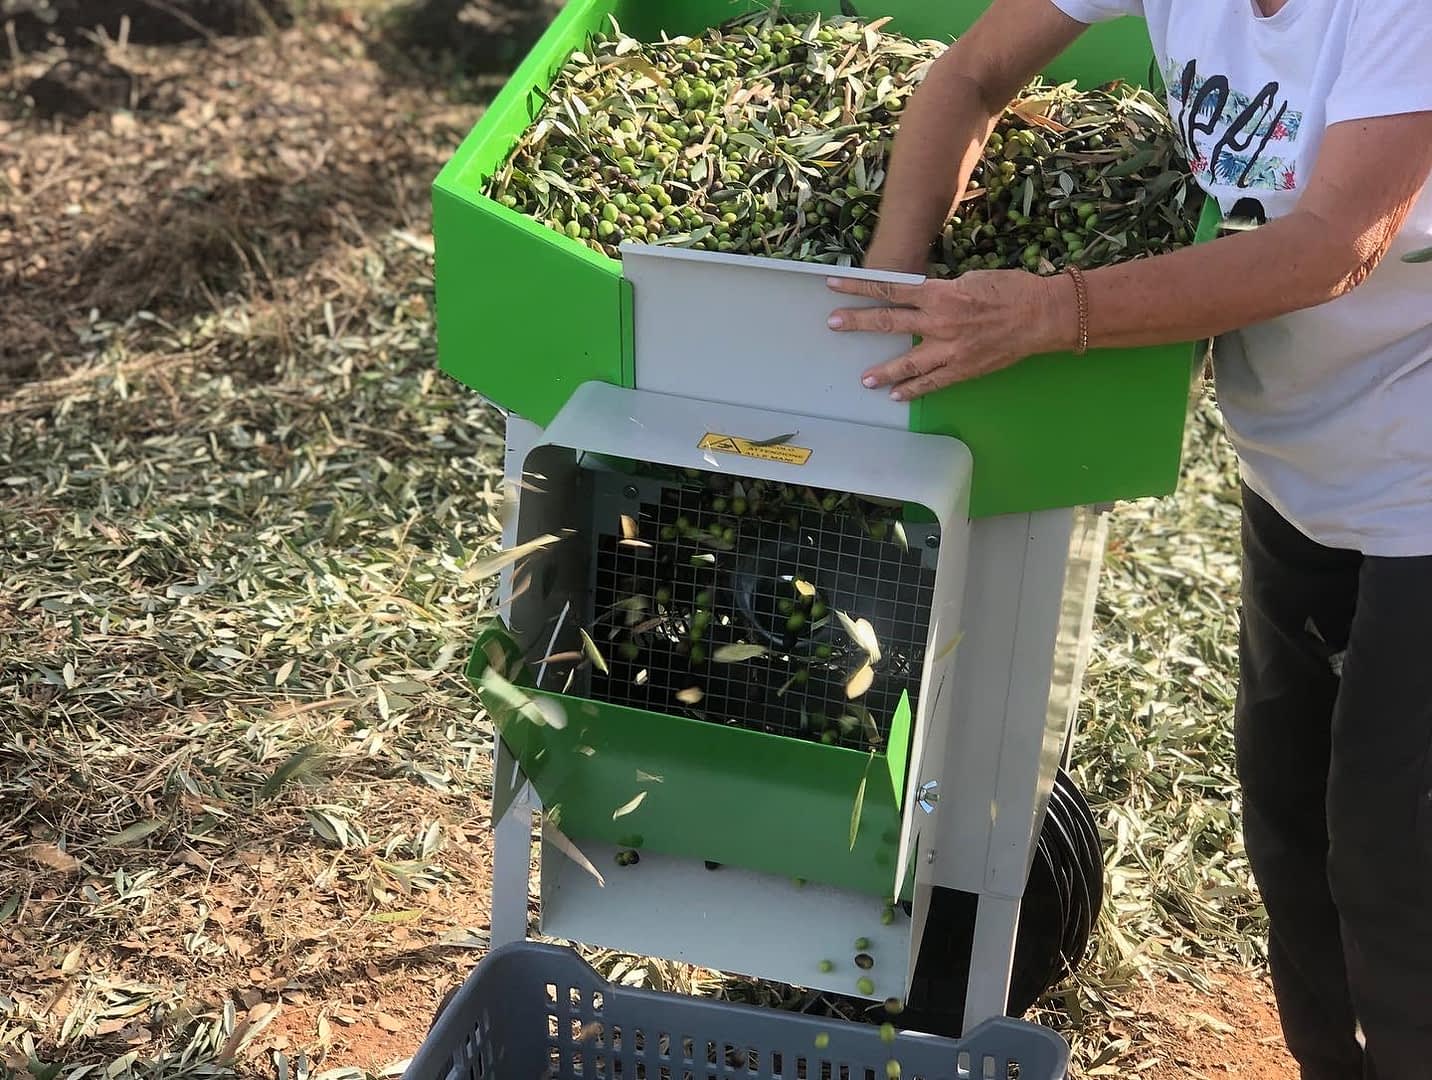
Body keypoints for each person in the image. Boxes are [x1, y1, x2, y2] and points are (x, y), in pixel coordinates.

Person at [824, 1, 1432, 1077]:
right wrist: (888, 289)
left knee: (1394, 852)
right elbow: (970, 75)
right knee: (1290, 830)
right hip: (1298, 460)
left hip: (1419, 469)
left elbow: (1333, 246)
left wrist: (1049, 310)